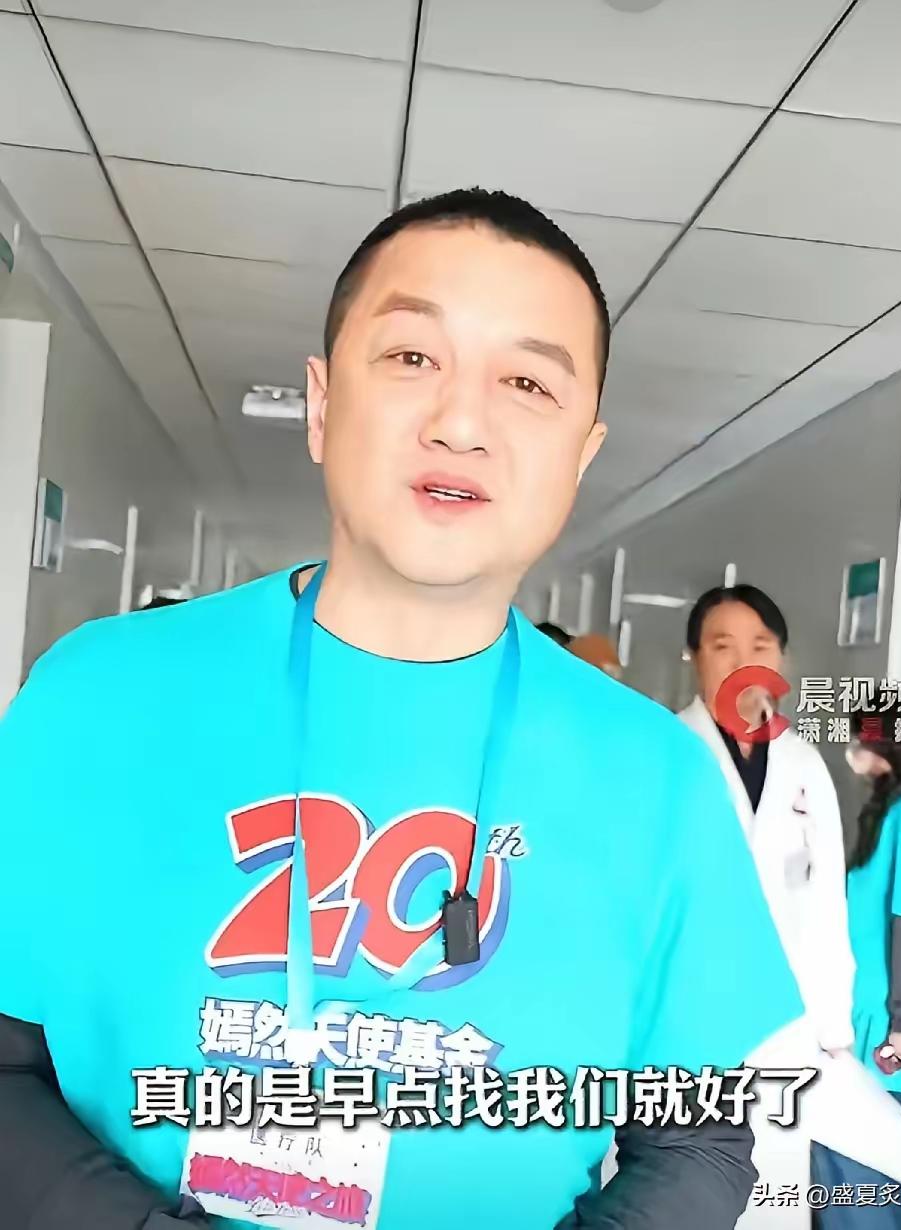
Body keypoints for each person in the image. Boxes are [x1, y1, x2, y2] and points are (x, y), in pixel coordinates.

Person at [0, 189, 804, 1230]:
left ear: (581, 455)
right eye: (412, 356)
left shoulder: (658, 778)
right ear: (323, 404)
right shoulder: (98, 693)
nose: (461, 422)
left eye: (527, 382)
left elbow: (697, 1142)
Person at [679, 585, 855, 1228]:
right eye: (722, 646)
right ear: (694, 656)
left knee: (773, 1196)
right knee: (679, 1190)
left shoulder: (806, 764)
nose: (743, 662)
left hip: (787, 1021)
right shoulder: (664, 751)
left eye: (761, 646)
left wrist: (834, 1031)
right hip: (683, 1015)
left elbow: (828, 899)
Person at [812, 703, 901, 1228]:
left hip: (892, 1051)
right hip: (866, 1042)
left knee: (870, 1201)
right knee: (849, 1197)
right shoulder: (893, 811)